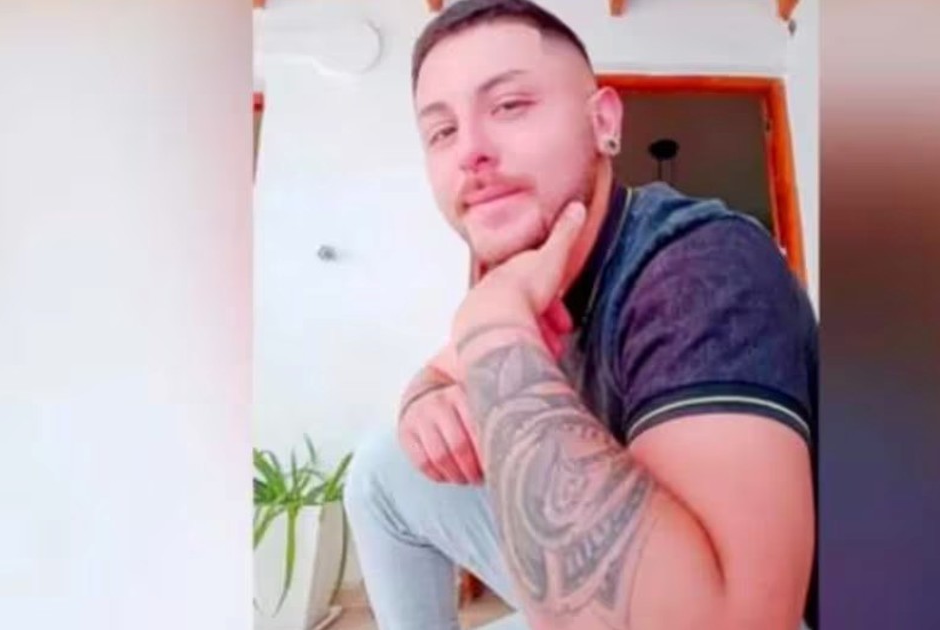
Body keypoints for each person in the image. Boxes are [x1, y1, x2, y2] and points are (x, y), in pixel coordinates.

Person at [343, 1, 818, 628]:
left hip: (721, 606)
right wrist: (425, 402)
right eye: (442, 131)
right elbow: (437, 373)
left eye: (509, 105)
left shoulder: (701, 266)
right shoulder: (537, 276)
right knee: (383, 468)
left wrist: (492, 327)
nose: (470, 151)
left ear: (604, 123)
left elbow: (736, 622)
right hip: (621, 565)